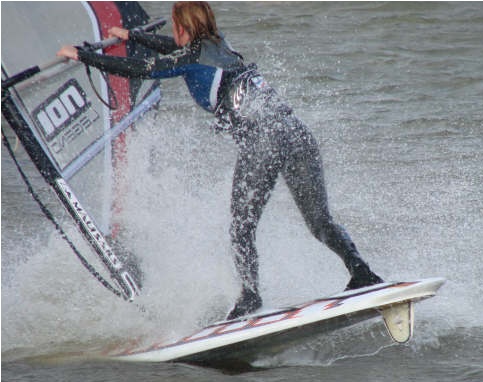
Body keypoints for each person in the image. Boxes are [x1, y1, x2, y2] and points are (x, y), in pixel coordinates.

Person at [57, 1, 383, 320]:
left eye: (176, 28)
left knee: (241, 228)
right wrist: (136, 37)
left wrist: (84, 56)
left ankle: (250, 298)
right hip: (296, 133)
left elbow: (140, 69)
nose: (174, 33)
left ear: (183, 28)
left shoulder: (190, 57)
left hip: (264, 141)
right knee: (320, 222)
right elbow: (174, 47)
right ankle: (362, 272)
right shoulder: (220, 43)